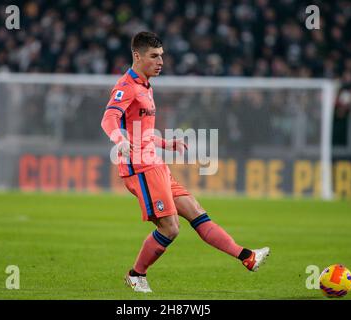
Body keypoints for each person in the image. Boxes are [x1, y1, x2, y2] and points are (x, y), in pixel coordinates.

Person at [101, 31, 270, 293]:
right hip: (140, 167)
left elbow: (141, 132)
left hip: (156, 163)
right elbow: (109, 118)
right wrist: (119, 140)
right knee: (170, 228)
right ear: (137, 56)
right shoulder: (127, 86)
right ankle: (136, 275)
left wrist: (166, 143)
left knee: (196, 212)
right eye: (154, 56)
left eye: (162, 56)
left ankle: (247, 256)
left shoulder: (146, 86)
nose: (161, 62)